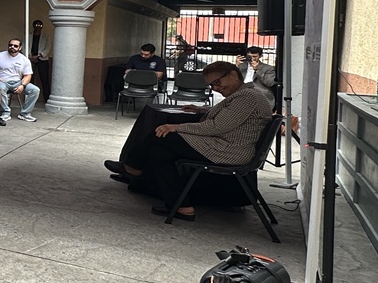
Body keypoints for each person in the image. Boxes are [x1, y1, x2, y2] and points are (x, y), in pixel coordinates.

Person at [107, 61, 272, 221]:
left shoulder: (247, 97)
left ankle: (132, 166)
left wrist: (177, 127)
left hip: (227, 151)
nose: (215, 88)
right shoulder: (245, 95)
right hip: (224, 147)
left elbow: (217, 126)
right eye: (211, 85)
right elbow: (229, 115)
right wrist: (202, 109)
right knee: (159, 152)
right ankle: (182, 206)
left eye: (217, 82)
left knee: (162, 134)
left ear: (234, 75)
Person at [0, 38, 39, 122]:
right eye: (10, 45)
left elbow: (28, 75)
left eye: (15, 46)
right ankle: (5, 113)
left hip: (17, 82)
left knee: (35, 90)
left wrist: (22, 85)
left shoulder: (24, 59)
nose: (12, 47)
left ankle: (25, 114)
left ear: (20, 48)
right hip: (2, 82)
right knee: (0, 88)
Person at [29, 19, 52, 100]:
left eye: (40, 25)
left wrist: (38, 55)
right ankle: (29, 98)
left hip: (42, 59)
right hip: (30, 59)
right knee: (29, 79)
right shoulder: (29, 35)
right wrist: (30, 55)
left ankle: (47, 99)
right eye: (36, 25)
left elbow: (48, 48)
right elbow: (25, 45)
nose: (38, 27)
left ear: (42, 27)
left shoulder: (46, 36)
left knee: (44, 79)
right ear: (33, 26)